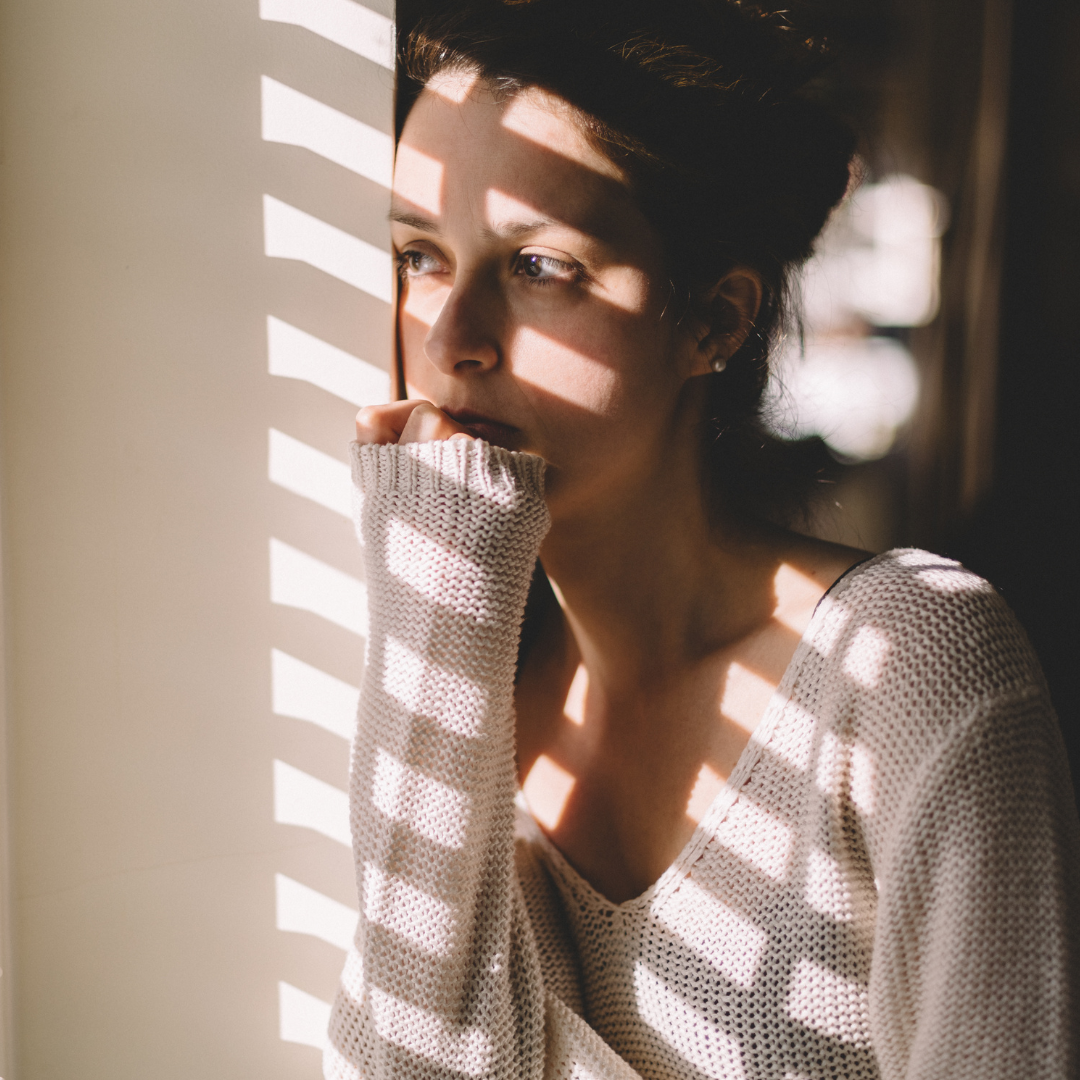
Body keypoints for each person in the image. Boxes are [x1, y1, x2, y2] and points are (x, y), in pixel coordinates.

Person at [325, 2, 1080, 1078]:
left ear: (716, 320)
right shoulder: (462, 684)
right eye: (419, 256)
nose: (450, 341)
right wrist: (442, 598)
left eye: (539, 267)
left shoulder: (910, 672)